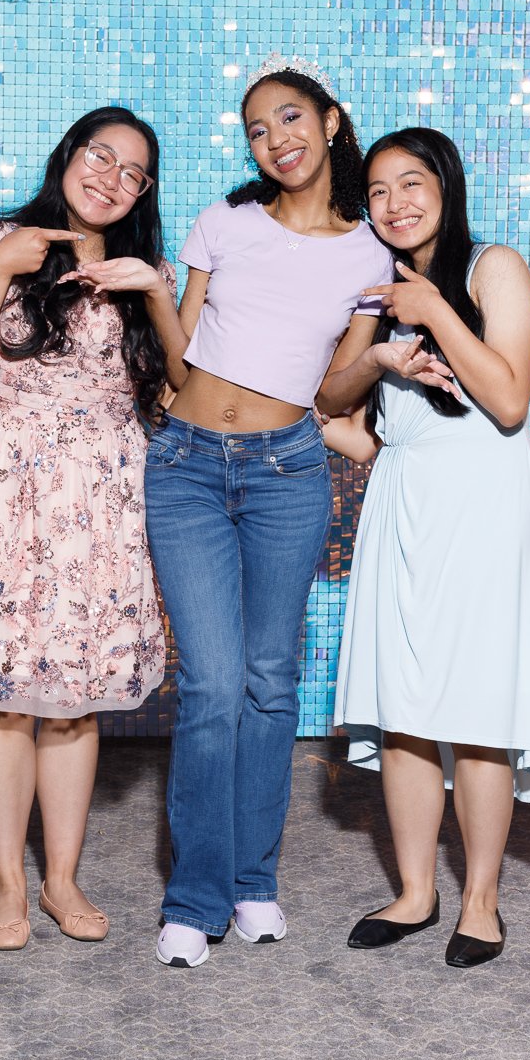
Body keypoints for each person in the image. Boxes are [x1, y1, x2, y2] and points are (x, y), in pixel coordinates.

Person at [146, 56, 429, 970]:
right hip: (186, 464)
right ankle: (193, 899)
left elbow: (333, 390)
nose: (277, 141)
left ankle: (253, 884)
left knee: (271, 684)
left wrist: (381, 366)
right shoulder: (225, 221)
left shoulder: (370, 256)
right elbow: (184, 359)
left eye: (291, 119)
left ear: (332, 120)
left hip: (287, 470)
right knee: (213, 687)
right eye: (258, 131)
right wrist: (154, 293)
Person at [0, 107, 184, 952]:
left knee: (72, 706)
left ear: (143, 192)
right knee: (2, 702)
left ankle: (63, 878)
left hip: (101, 497)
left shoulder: (150, 272)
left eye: (132, 170)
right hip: (0, 486)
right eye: (98, 155)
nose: (110, 176)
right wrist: (1, 265)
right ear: (67, 156)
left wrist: (157, 297)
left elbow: (178, 398)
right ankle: (6, 885)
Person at [317, 126, 530, 970]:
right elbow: (328, 409)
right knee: (405, 712)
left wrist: (433, 313)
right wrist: (382, 359)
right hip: (406, 500)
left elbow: (507, 399)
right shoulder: (374, 295)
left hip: (488, 500)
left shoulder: (493, 267)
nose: (396, 204)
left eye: (411, 183)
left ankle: (482, 901)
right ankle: (416, 892)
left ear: (446, 185)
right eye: (378, 191)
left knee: (477, 712)